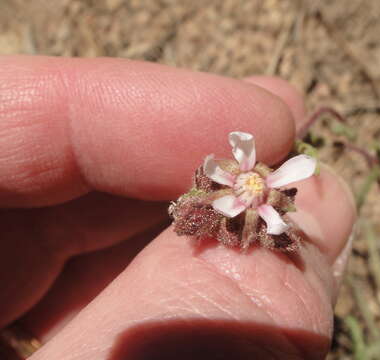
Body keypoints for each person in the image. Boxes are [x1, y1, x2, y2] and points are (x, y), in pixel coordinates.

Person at [0, 56, 356, 360]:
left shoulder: (255, 194)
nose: (253, 187)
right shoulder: (225, 188)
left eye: (256, 183)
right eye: (249, 182)